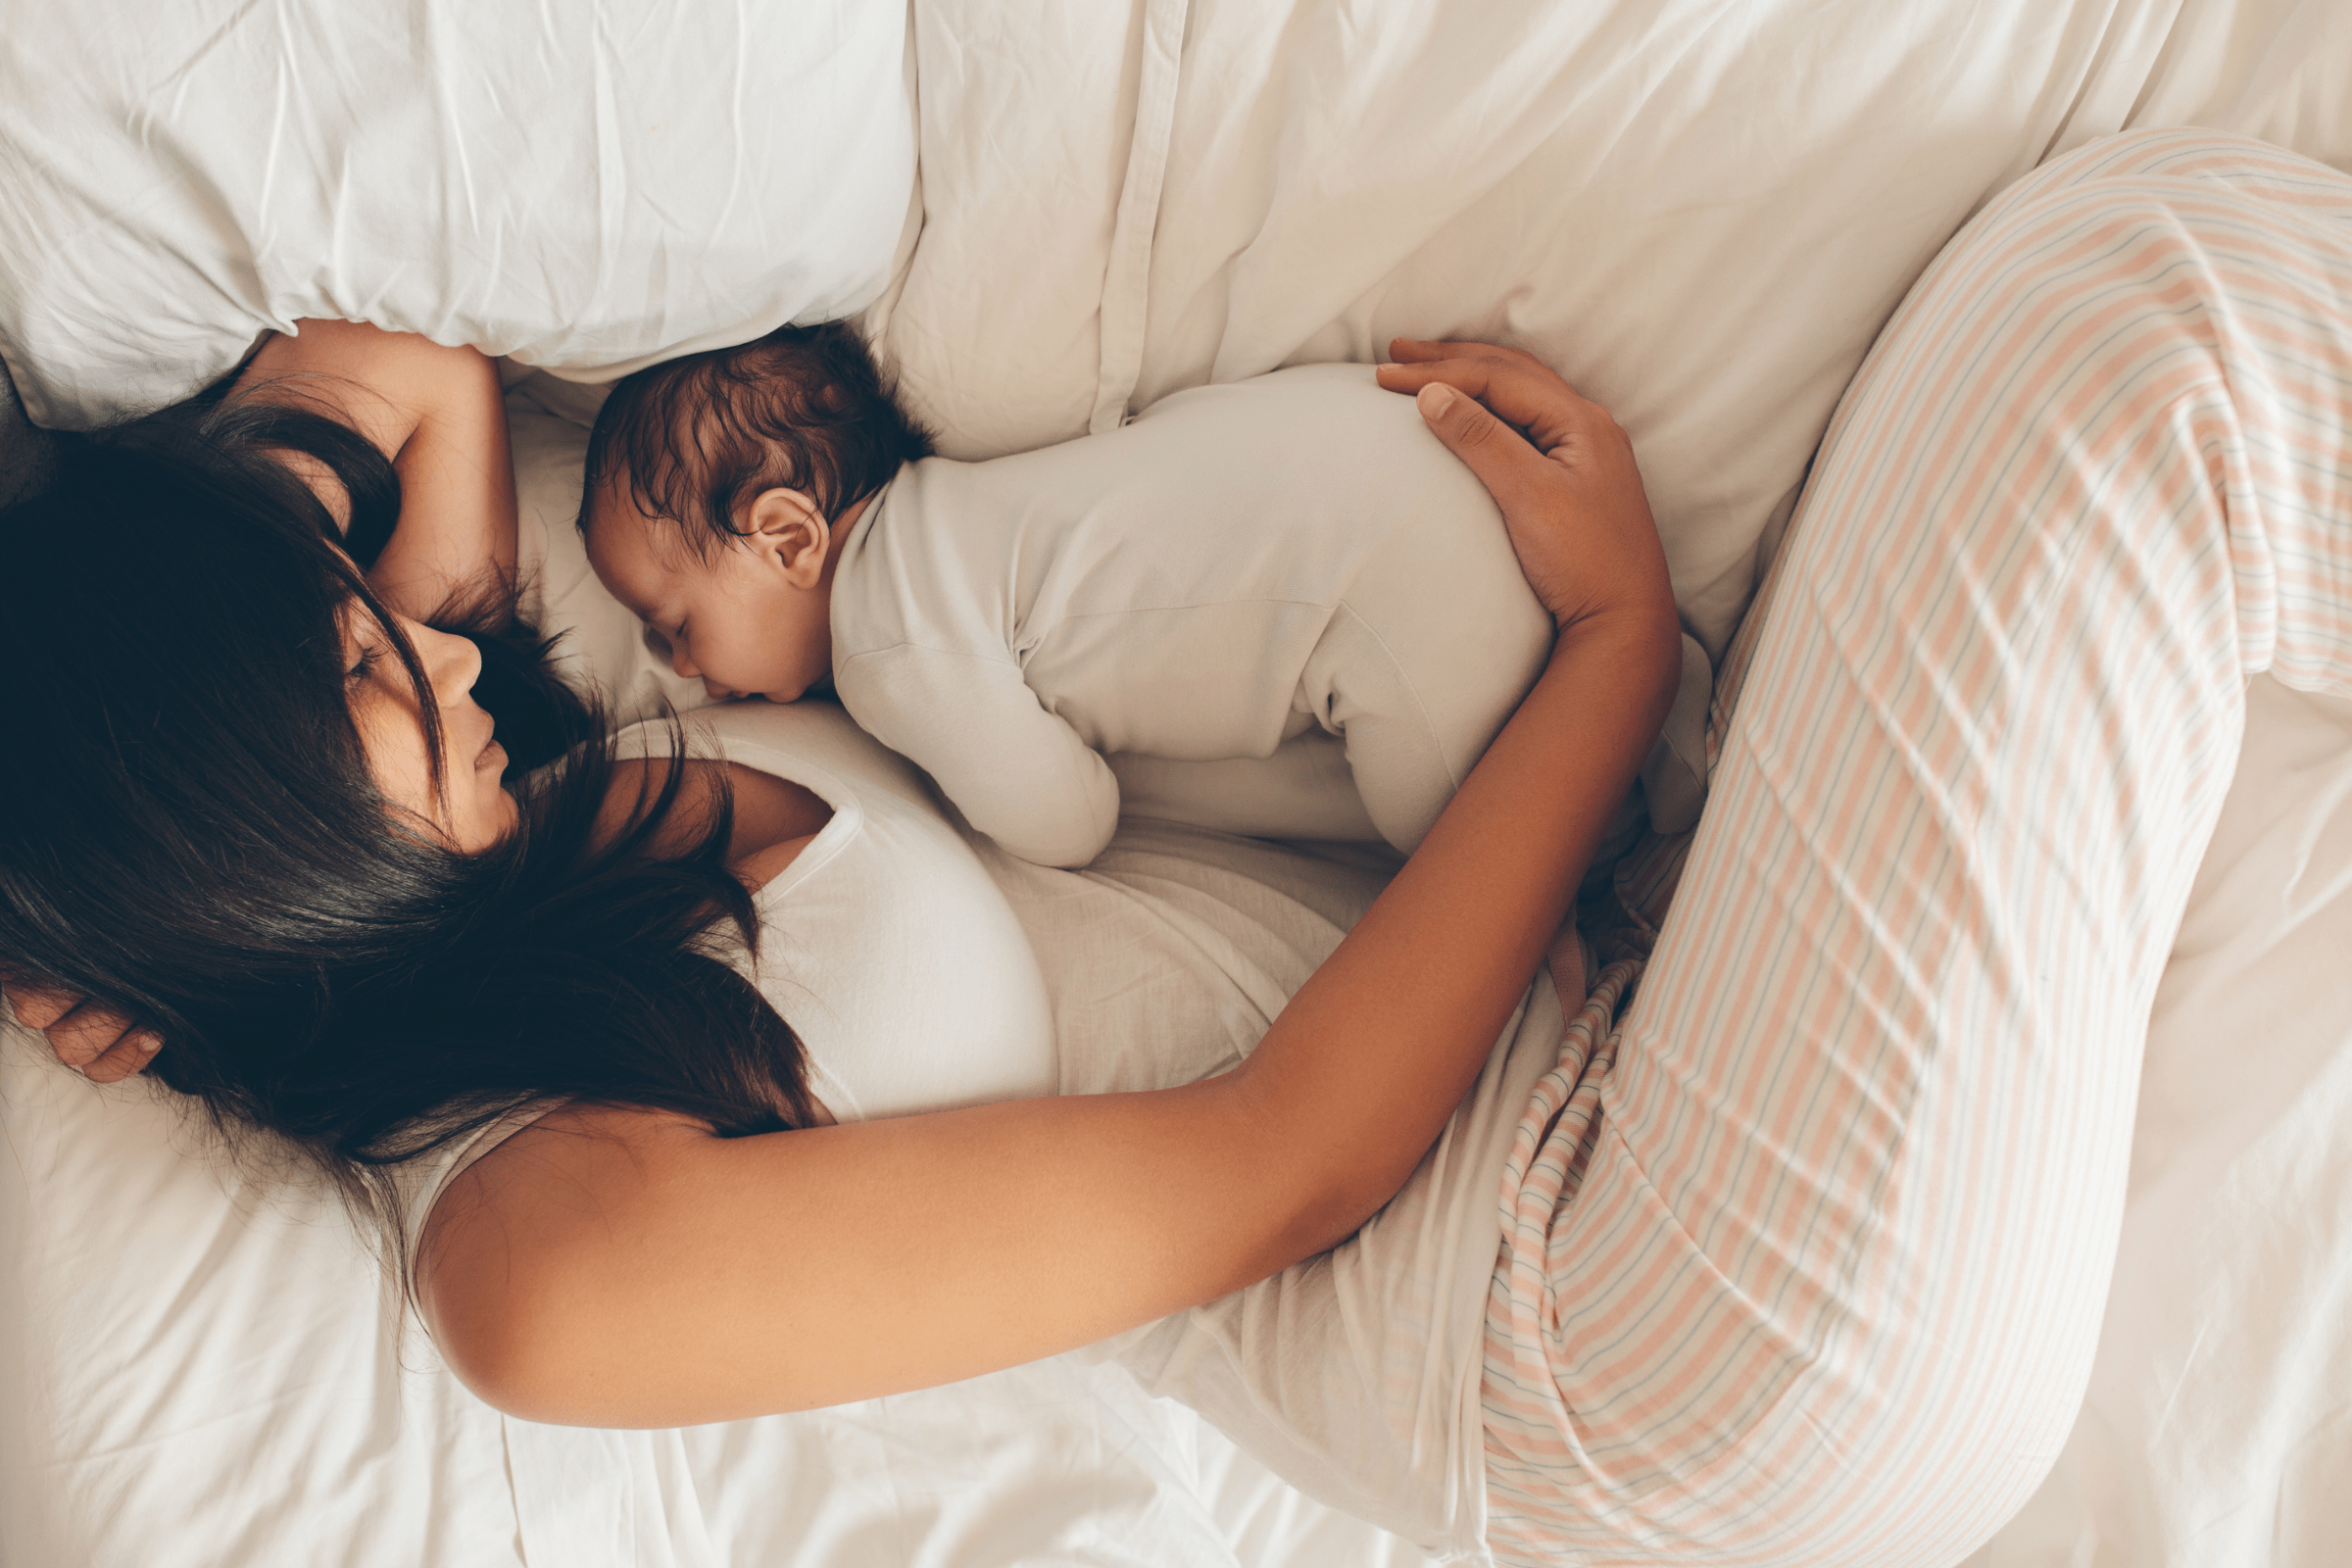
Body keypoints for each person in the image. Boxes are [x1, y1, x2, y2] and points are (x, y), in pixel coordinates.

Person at [10, 125, 2348, 1568]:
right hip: (1608, 1317)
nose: (427, 660)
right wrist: (1612, 643)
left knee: (2153, 321)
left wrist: (228, 620)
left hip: (1609, 1052)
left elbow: (392, 366)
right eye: (356, 691)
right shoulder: (534, 1254)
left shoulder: (496, 790)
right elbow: (1282, 1155)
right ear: (219, 891)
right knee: (2147, 333)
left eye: (365, 633)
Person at [577, 328, 1714, 876]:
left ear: (787, 536)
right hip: (1390, 458)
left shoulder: (889, 633)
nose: (677, 668)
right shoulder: (965, 513)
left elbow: (1069, 823)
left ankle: (1618, 830)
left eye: (674, 621)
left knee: (1475, 859)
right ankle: (1669, 724)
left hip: (1393, 571)